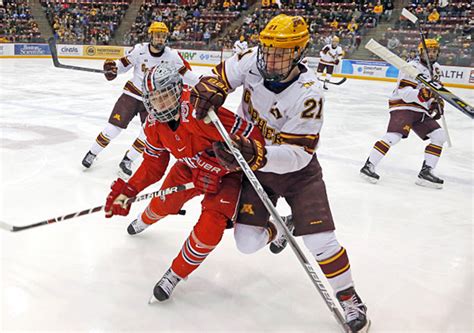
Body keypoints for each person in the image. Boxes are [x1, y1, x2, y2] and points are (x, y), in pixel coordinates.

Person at [191, 14, 369, 333]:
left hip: (297, 172)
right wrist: (210, 88)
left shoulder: (309, 93)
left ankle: (349, 297)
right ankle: (278, 228)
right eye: (267, 49)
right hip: (255, 163)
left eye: (280, 53)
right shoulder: (250, 60)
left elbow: (298, 155)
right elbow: (219, 77)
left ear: (298, 53)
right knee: (246, 242)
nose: (270, 58)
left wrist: (254, 154)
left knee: (321, 241)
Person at [105, 64, 264, 301]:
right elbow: (153, 165)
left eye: (165, 95)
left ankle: (176, 274)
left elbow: (253, 137)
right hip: (188, 169)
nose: (159, 103)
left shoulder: (202, 112)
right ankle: (144, 219)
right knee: (163, 203)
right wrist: (128, 190)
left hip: (226, 177)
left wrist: (220, 161)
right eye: (153, 98)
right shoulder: (152, 125)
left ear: (178, 90)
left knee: (211, 228)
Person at [81, 21, 199, 177]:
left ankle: (127, 160)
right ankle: (92, 153)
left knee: (147, 135)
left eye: (163, 36)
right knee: (113, 128)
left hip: (155, 101)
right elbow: (122, 66)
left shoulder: (172, 55)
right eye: (157, 36)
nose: (160, 39)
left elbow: (186, 75)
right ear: (151, 36)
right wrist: (113, 68)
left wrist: (202, 83)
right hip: (132, 95)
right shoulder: (139, 50)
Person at [360, 39, 446, 188]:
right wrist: (422, 94)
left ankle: (426, 173)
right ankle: (368, 166)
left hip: (420, 110)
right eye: (428, 51)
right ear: (420, 52)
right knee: (394, 136)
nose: (431, 54)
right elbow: (404, 92)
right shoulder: (411, 67)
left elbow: (435, 91)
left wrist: (434, 103)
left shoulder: (437, 69)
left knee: (439, 136)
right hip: (403, 106)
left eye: (434, 51)